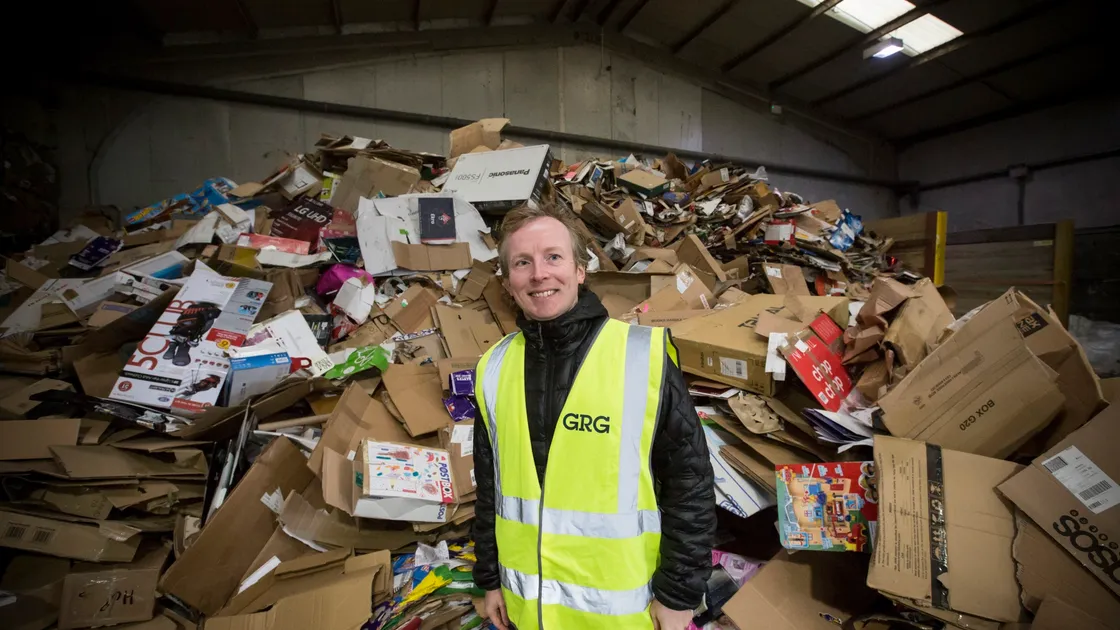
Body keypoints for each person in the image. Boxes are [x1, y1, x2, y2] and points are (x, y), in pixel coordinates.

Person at [473, 203, 716, 630]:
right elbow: (490, 489)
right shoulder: (493, 368)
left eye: (553, 257)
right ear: (508, 281)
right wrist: (490, 580)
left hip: (624, 614)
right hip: (529, 613)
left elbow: (690, 484)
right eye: (522, 262)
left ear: (580, 270)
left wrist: (678, 596)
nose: (539, 274)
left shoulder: (642, 355)